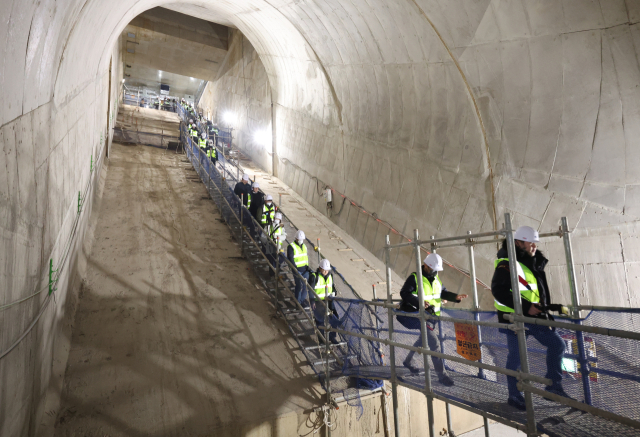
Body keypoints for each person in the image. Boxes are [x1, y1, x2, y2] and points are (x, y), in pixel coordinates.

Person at [491, 225, 572, 410]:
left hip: (534, 316)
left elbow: (537, 291)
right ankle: (514, 395)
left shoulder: (532, 262)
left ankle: (553, 387)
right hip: (514, 319)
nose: (534, 247)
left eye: (535, 244)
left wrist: (545, 312)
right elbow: (498, 290)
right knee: (516, 357)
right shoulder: (506, 263)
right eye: (531, 243)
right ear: (518, 243)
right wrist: (526, 307)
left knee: (557, 345)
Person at [397, 253, 468, 387]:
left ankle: (408, 361)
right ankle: (443, 376)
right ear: (426, 266)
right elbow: (404, 293)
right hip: (418, 316)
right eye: (432, 269)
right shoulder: (415, 278)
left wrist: (455, 297)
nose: (434, 271)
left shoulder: (436, 279)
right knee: (434, 344)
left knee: (422, 340)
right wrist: (419, 302)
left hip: (431, 317)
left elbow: (442, 292)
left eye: (435, 269)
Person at [309, 259, 340, 343]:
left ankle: (332, 337)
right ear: (320, 268)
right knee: (320, 321)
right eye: (324, 270)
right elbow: (310, 290)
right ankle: (321, 340)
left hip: (329, 301)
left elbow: (332, 286)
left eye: (327, 270)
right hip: (318, 302)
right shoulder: (314, 276)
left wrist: (334, 292)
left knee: (335, 318)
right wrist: (312, 301)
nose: (326, 271)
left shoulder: (330, 276)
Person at [287, 230, 311, 307]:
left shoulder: (304, 246)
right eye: (299, 239)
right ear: (296, 238)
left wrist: (307, 267)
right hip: (297, 270)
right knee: (299, 285)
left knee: (306, 286)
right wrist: (294, 269)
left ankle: (302, 301)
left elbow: (305, 258)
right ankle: (298, 303)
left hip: (305, 270)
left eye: (302, 239)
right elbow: (291, 258)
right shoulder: (291, 246)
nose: (301, 241)